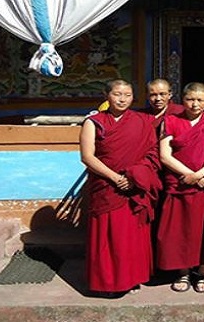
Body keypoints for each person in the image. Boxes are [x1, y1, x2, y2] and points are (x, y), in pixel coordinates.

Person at [79, 79, 162, 297]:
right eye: (117, 94)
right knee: (108, 238)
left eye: (127, 94)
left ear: (133, 97)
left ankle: (131, 278)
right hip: (107, 186)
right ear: (107, 96)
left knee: (131, 238)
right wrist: (116, 178)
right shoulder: (93, 122)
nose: (122, 99)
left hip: (134, 187)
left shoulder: (143, 121)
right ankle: (107, 282)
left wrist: (135, 176)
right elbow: (87, 156)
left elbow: (152, 153)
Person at [156, 82, 204, 293]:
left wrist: (199, 175)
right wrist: (188, 175)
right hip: (180, 186)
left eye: (200, 100)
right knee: (180, 231)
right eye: (190, 99)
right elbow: (164, 155)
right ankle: (183, 272)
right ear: (182, 99)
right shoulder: (170, 121)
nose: (195, 104)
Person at [97, 78, 184, 130]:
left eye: (162, 94)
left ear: (170, 95)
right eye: (153, 95)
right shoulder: (140, 115)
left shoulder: (180, 112)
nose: (158, 99)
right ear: (147, 96)